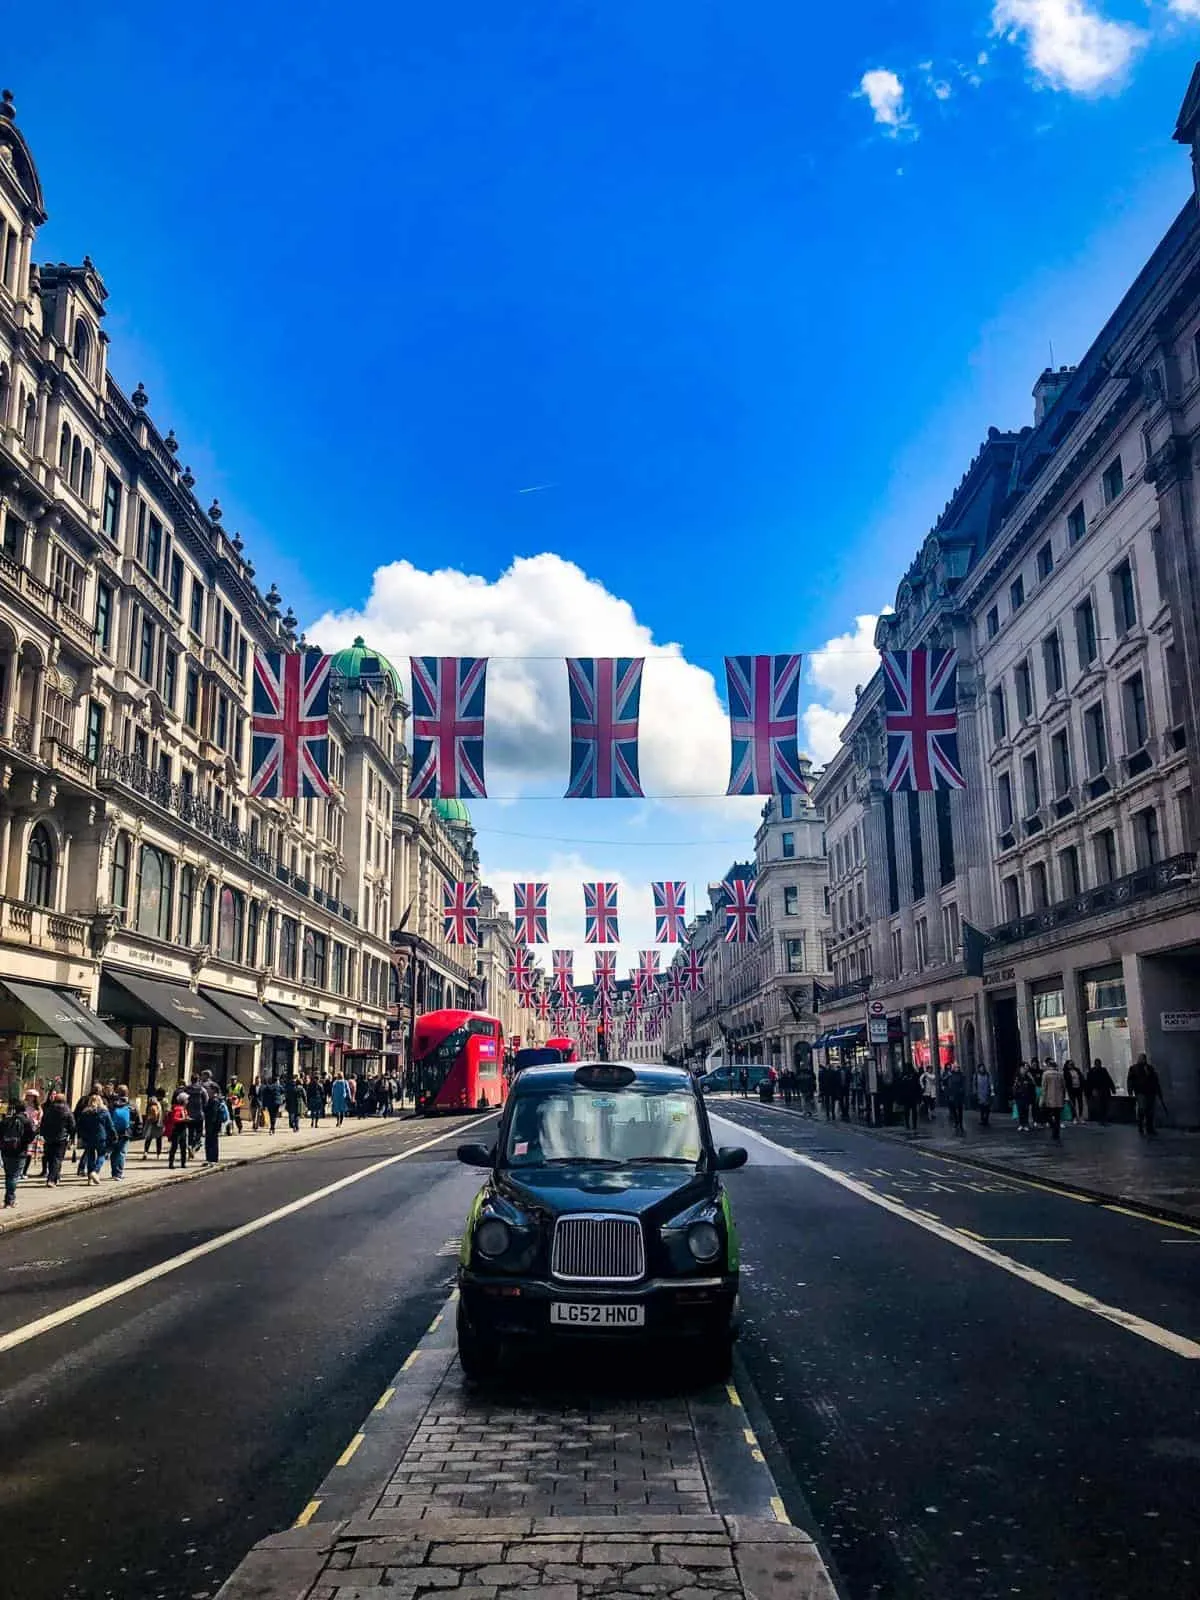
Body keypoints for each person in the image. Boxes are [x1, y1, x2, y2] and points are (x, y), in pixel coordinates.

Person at [1, 1098, 36, 1208]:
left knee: (8, 1175)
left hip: (6, 1150)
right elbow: (31, 1136)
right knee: (14, 1176)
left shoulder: (6, 1120)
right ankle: (9, 1200)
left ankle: (9, 1198)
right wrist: (24, 1143)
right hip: (19, 1151)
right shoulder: (26, 1121)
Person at [76, 1092, 115, 1186]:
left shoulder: (85, 1112)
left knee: (90, 1157)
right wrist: (114, 1136)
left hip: (88, 1138)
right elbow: (110, 1126)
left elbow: (80, 1126)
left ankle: (90, 1179)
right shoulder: (104, 1112)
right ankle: (95, 1172)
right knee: (102, 1155)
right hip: (101, 1137)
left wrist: (81, 1136)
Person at [39, 1092, 74, 1186]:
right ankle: (51, 1179)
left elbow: (43, 1122)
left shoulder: (49, 1109)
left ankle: (56, 1177)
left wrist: (42, 1134)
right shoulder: (67, 1110)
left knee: (51, 1158)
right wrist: (72, 1136)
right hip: (61, 1138)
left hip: (49, 1137)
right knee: (57, 1158)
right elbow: (72, 1125)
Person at [1127, 1053, 1166, 1136]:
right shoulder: (1134, 1068)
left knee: (1150, 1111)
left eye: (1144, 1059)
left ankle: (1149, 1128)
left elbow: (1155, 1081)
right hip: (1141, 1091)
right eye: (1142, 1058)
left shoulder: (1149, 1068)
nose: (1143, 1060)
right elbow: (1130, 1080)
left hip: (1150, 1092)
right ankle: (1141, 1126)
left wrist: (1158, 1092)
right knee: (1142, 1108)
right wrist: (1130, 1090)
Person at [108, 1087, 133, 1180]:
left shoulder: (112, 1104)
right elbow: (137, 1118)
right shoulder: (130, 1104)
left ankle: (114, 1172)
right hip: (125, 1132)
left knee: (114, 1152)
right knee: (121, 1152)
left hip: (114, 1131)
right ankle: (118, 1173)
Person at [1041, 1057, 1066, 1142]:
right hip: (1058, 1099)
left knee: (1047, 1114)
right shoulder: (1060, 1074)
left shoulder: (1046, 1074)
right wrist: (1063, 1097)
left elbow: (1044, 1088)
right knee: (1057, 1116)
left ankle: (1053, 1126)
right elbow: (1063, 1087)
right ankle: (1056, 1133)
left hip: (1049, 1098)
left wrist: (1042, 1099)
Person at [1085, 1058, 1116, 1123]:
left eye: (1099, 1064)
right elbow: (1089, 1082)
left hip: (1104, 1089)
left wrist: (1112, 1088)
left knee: (1104, 1104)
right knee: (1100, 1105)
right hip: (1098, 1090)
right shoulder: (1092, 1071)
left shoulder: (1103, 1070)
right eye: (1097, 1064)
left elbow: (1108, 1079)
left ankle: (1103, 1118)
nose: (1098, 1065)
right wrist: (1090, 1091)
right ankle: (1101, 1118)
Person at [203, 1086, 227, 1163]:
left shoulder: (214, 1101)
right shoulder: (213, 1100)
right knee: (212, 1141)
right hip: (213, 1124)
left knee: (211, 1141)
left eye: (209, 1090)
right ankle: (210, 1158)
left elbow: (213, 1114)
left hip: (213, 1125)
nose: (208, 1091)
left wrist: (210, 1124)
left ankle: (212, 1158)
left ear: (214, 1091)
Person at [165, 1099, 190, 1169]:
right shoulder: (178, 1109)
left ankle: (182, 1163)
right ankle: (172, 1163)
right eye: (187, 1100)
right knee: (175, 1147)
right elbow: (174, 1119)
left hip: (183, 1129)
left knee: (183, 1147)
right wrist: (184, 1120)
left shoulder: (184, 1109)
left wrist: (187, 1119)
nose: (188, 1101)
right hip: (177, 1130)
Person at [1013, 1062, 1035, 1132]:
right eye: (1023, 1068)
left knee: (1026, 1111)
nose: (1024, 1070)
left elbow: (1033, 1084)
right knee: (1020, 1111)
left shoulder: (1028, 1077)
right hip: (1019, 1096)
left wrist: (1031, 1077)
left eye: (1025, 1068)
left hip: (1026, 1096)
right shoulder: (1017, 1077)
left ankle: (1026, 1124)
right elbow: (1015, 1086)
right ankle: (1021, 1124)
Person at [944, 1062, 965, 1135]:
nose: (957, 1068)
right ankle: (956, 1121)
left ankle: (960, 1123)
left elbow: (963, 1083)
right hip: (952, 1094)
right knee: (953, 1109)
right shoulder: (950, 1075)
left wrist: (962, 1090)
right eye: (956, 1067)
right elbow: (945, 1082)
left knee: (960, 1109)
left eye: (958, 1067)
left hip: (959, 1095)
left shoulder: (961, 1075)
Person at [1062, 1059, 1084, 1123]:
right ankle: (1074, 1117)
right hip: (1071, 1089)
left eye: (1072, 1064)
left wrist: (1082, 1086)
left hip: (1078, 1088)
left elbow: (1081, 1078)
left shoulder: (1077, 1070)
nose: (1071, 1065)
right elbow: (1065, 1081)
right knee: (1073, 1103)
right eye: (1070, 1064)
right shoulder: (1066, 1072)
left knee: (1080, 1103)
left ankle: (1080, 1116)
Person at [142, 1094, 164, 1158]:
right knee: (159, 1139)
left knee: (148, 1139)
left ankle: (145, 1152)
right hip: (158, 1124)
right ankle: (158, 1154)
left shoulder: (149, 1106)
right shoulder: (159, 1105)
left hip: (151, 1124)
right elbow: (162, 1114)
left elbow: (147, 1115)